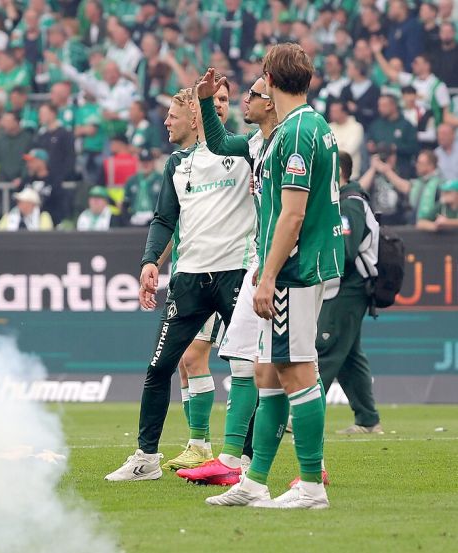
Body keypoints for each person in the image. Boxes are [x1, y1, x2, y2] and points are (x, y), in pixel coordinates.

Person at [207, 43, 343, 510]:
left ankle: (310, 486)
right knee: (267, 371)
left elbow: (292, 214)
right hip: (292, 267)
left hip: (295, 270)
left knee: (296, 369)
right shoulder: (302, 126)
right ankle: (256, 480)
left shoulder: (298, 130)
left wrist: (266, 278)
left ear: (269, 75)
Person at [104, 82, 255, 482]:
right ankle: (146, 458)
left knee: (247, 367)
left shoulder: (244, 152)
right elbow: (164, 219)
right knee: (160, 367)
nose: (166, 122)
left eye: (172, 114)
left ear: (193, 115)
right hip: (189, 280)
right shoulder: (177, 163)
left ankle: (244, 462)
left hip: (235, 274)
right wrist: (150, 260)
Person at [176, 71, 280, 487]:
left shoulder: (292, 138)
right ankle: (232, 457)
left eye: (251, 95)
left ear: (270, 101)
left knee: (293, 362)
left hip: (277, 263)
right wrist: (203, 100)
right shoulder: (256, 143)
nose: (242, 102)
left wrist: (273, 264)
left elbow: (295, 210)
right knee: (248, 360)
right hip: (262, 263)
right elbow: (219, 143)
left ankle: (310, 466)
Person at [317, 152, 383, 435]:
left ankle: (299, 413)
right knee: (349, 356)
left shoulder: (348, 205)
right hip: (348, 287)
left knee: (327, 348)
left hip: (349, 287)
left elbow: (344, 252)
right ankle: (368, 420)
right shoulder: (348, 201)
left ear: (337, 173)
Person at [359, 144, 413, 225]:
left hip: (397, 221)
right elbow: (359, 190)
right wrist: (373, 168)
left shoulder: (401, 171)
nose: (388, 160)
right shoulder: (371, 174)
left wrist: (387, 171)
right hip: (375, 221)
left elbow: (407, 189)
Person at [18, 147, 64, 223]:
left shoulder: (54, 181)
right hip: (26, 225)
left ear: (41, 162)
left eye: (31, 161)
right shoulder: (26, 180)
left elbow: (59, 205)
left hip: (48, 225)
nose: (28, 165)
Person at [121, 149, 161, 227]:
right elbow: (125, 203)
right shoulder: (132, 180)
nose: (145, 164)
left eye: (148, 162)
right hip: (135, 217)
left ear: (153, 163)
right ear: (139, 163)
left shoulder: (161, 179)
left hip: (155, 218)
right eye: (143, 162)